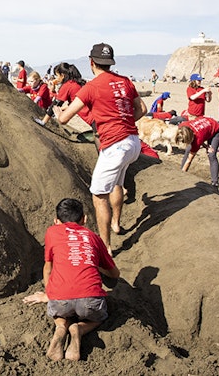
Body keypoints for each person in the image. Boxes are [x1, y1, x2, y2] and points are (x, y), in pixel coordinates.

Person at [54, 43, 147, 254]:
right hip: (133, 141)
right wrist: (124, 122)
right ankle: (115, 224)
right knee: (117, 183)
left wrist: (60, 112)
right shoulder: (125, 81)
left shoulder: (91, 87)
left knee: (98, 195)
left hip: (114, 145)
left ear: (91, 62)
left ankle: (105, 247)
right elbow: (141, 109)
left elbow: (66, 118)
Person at [27, 198, 119, 361]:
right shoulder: (93, 237)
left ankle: (61, 327)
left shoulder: (52, 232)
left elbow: (48, 268)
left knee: (61, 311)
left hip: (61, 301)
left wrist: (48, 295)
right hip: (90, 301)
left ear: (56, 221)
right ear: (84, 219)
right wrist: (95, 265)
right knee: (101, 316)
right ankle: (80, 329)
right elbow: (114, 274)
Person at [176, 116, 219, 188]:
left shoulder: (197, 140)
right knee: (188, 150)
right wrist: (205, 145)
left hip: (215, 129)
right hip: (204, 129)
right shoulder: (182, 127)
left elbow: (189, 160)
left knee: (211, 155)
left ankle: (215, 183)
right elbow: (200, 136)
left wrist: (181, 178)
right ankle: (181, 173)